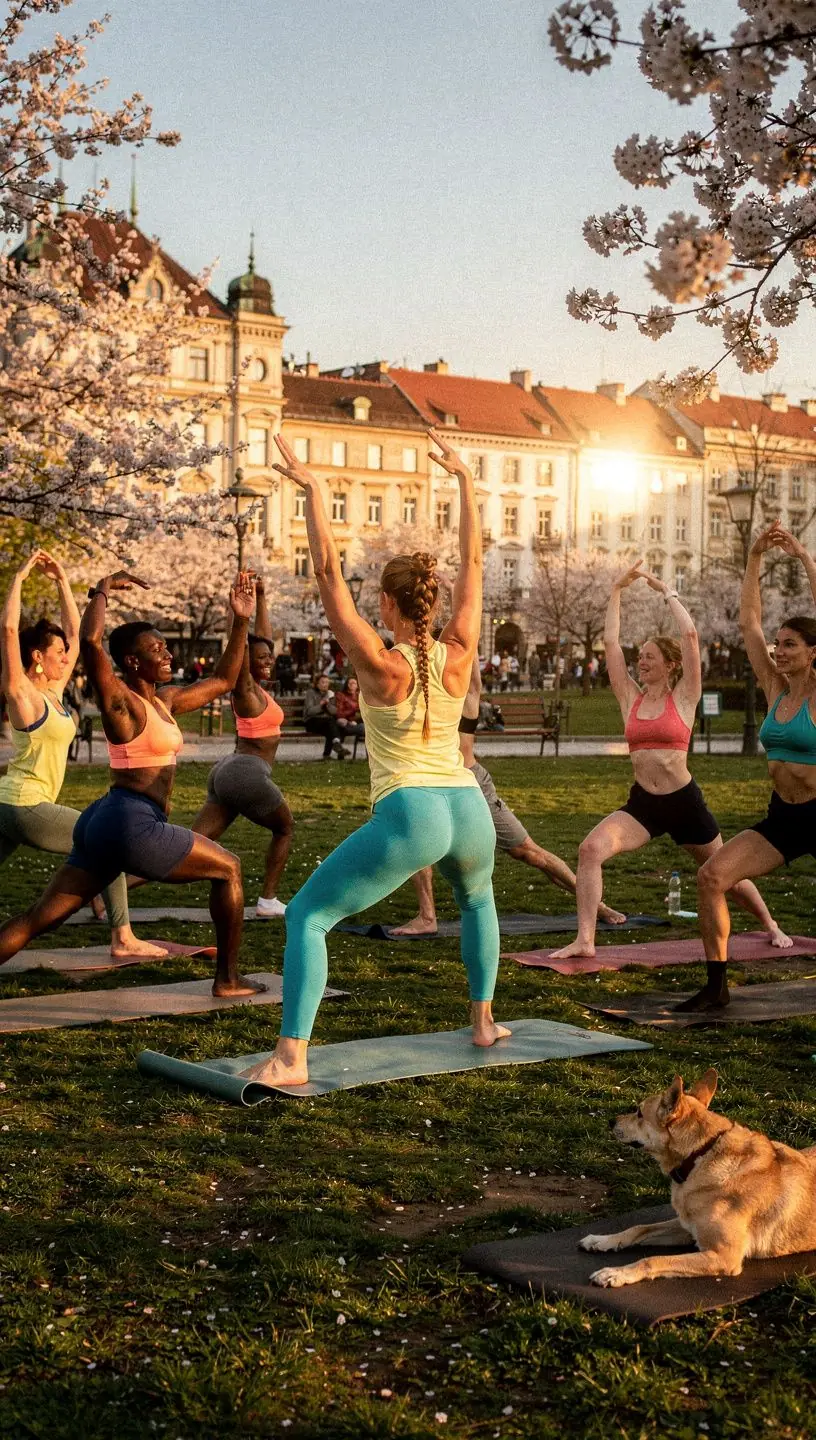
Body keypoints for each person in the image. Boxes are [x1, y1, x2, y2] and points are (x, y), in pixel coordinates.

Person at [240, 428, 507, 1088]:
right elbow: (475, 564)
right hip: (468, 805)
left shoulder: (379, 663)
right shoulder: (460, 648)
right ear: (433, 600)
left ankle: (291, 1057)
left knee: (308, 916)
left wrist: (313, 489)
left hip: (413, 813)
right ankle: (483, 1023)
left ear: (387, 603)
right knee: (478, 902)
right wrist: (465, 481)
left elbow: (328, 574)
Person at [0, 568, 263, 997]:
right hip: (131, 822)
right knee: (229, 868)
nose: (167, 654)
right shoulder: (120, 701)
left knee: (38, 919)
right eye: (156, 649)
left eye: (165, 647)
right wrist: (101, 591)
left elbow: (223, 681)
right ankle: (228, 980)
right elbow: (90, 643)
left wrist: (241, 620)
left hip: (104, 820)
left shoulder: (165, 701)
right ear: (132, 662)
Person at [550, 561, 790, 970]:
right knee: (589, 849)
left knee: (725, 873)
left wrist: (668, 593)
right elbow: (610, 645)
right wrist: (616, 591)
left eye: (649, 656)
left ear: (670, 664)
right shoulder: (630, 697)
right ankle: (585, 940)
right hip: (644, 805)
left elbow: (691, 636)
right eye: (640, 656)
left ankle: (770, 923)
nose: (640, 662)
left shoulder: (685, 696)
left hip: (683, 803)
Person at [391, 651, 628, 936]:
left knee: (528, 852)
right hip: (433, 786)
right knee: (421, 847)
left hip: (472, 785)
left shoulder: (461, 702)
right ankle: (427, 917)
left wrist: (469, 639)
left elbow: (473, 683)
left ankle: (597, 906)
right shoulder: (418, 708)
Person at [0, 550, 165, 959]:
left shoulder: (53, 693)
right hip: (25, 805)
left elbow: (77, 635)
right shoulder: (23, 695)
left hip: (8, 804)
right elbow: (7, 629)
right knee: (107, 840)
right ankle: (122, 936)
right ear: (36, 657)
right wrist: (20, 577)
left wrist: (62, 581)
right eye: (56, 652)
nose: (65, 656)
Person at [695, 524, 816, 1009]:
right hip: (784, 817)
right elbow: (749, 624)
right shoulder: (774, 687)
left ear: (813, 652)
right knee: (711, 877)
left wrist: (804, 558)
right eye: (778, 643)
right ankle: (716, 987)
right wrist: (754, 558)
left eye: (790, 645)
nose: (778, 651)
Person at [191, 574, 293, 921]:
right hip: (245, 773)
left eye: (270, 657)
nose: (268, 661)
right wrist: (241, 617)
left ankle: (114, 887)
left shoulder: (258, 689)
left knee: (189, 845)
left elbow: (262, 640)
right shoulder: (245, 688)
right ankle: (268, 900)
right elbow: (245, 646)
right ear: (246, 661)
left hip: (229, 772)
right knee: (285, 828)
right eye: (261, 658)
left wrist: (261, 597)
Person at [303, 673, 349, 760]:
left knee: (335, 728)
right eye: (323, 682)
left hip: (326, 723)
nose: (325, 684)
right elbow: (309, 711)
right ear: (317, 684)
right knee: (331, 723)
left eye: (327, 682)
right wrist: (321, 705)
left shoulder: (330, 694)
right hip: (312, 721)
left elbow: (334, 711)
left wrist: (328, 705)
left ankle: (329, 753)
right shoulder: (311, 693)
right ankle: (337, 746)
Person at [335, 676, 365, 747]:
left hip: (359, 720)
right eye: (350, 683)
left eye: (354, 683)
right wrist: (353, 710)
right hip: (346, 722)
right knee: (365, 728)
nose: (352, 685)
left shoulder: (360, 695)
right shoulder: (341, 695)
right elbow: (339, 713)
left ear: (357, 685)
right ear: (346, 685)